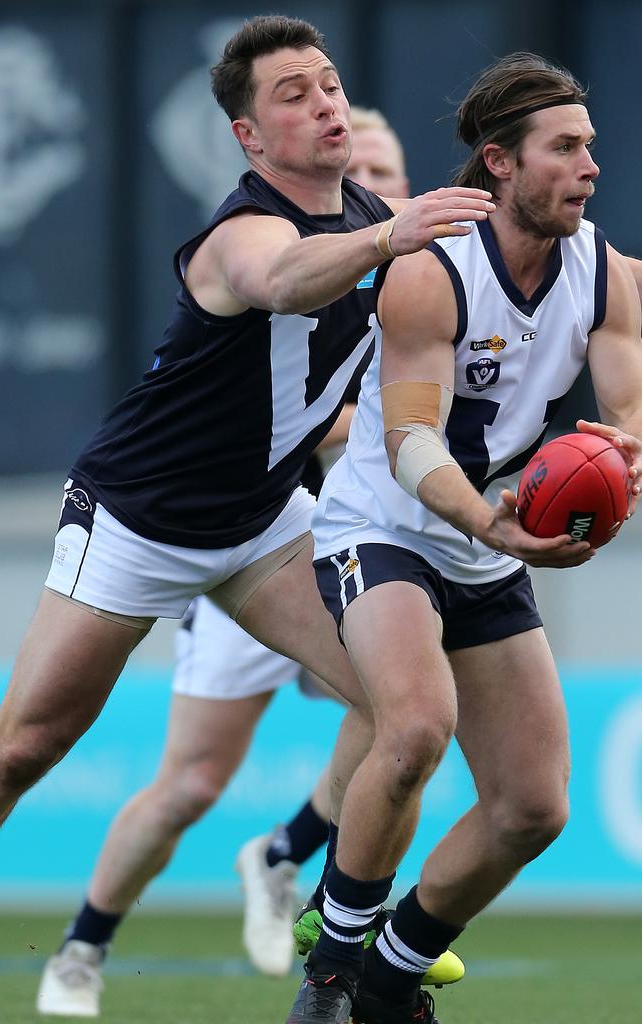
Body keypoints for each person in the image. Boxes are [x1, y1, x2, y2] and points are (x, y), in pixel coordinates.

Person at [0, 16, 496, 1021]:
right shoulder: (243, 232)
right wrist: (391, 233)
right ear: (250, 137)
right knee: (24, 746)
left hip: (263, 526)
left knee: (407, 717)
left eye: (330, 83)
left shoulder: (380, 218)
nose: (324, 102)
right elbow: (282, 279)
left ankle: (336, 942)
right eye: (292, 93)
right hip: (137, 521)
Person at [33, 108, 416, 1017]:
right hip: (256, 536)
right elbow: (300, 417)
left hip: (351, 552)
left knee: (406, 710)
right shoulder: (295, 254)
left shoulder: (420, 274)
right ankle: (82, 948)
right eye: (366, 168)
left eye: (392, 171)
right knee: (192, 783)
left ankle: (300, 867)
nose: (379, 186)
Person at [285, 51, 642, 1024]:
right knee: (414, 725)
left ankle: (392, 981)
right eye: (564, 148)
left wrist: (624, 463)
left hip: (489, 542)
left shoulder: (603, 274)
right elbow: (406, 443)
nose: (589, 166)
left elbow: (627, 413)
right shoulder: (429, 272)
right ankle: (327, 974)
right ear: (499, 161)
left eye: (591, 147)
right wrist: (494, 520)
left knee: (535, 806)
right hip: (388, 523)